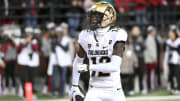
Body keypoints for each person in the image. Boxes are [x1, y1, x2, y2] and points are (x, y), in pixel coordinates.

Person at [71, 2, 127, 101]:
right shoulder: (85, 35)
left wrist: (89, 67)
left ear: (108, 17)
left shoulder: (117, 34)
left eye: (97, 16)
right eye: (92, 16)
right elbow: (78, 61)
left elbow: (114, 66)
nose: (92, 19)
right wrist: (74, 86)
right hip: (95, 90)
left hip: (114, 90)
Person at [164, 28, 180, 94]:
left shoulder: (178, 41)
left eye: (172, 33)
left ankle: (178, 88)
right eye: (169, 34)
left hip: (177, 61)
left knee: (177, 75)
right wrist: (165, 60)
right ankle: (172, 87)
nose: (170, 35)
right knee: (170, 75)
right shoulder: (168, 41)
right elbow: (166, 52)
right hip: (170, 61)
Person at [131, 26, 146, 94]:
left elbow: (144, 47)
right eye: (134, 30)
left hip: (140, 58)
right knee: (132, 75)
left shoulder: (141, 38)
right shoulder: (131, 39)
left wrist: (140, 44)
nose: (135, 32)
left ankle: (142, 88)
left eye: (137, 30)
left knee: (141, 74)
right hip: (133, 59)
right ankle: (132, 89)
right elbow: (132, 48)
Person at [144, 26, 157, 91]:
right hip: (151, 60)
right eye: (154, 31)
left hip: (149, 60)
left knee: (150, 74)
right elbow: (151, 50)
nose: (155, 32)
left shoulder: (150, 38)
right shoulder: (150, 39)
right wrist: (154, 58)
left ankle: (151, 87)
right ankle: (151, 87)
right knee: (151, 74)